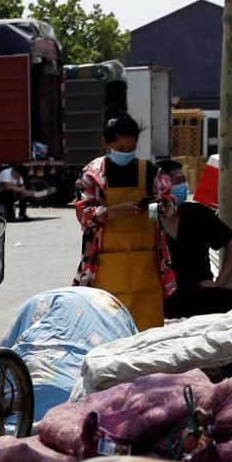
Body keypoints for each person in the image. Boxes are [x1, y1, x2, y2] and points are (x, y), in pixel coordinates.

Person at [73, 113, 176, 330]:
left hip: (146, 266)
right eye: (121, 148)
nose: (126, 153)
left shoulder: (150, 171)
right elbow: (84, 213)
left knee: (147, 331)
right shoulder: (93, 174)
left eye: (131, 147)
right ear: (106, 143)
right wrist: (114, 211)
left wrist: (154, 208)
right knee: (108, 327)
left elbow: (169, 204)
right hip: (104, 267)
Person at [157, 160, 232, 318]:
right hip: (166, 299)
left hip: (201, 293)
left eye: (184, 181)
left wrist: (219, 282)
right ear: (162, 186)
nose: (183, 186)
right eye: (178, 181)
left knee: (230, 299)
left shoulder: (196, 214)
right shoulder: (151, 221)